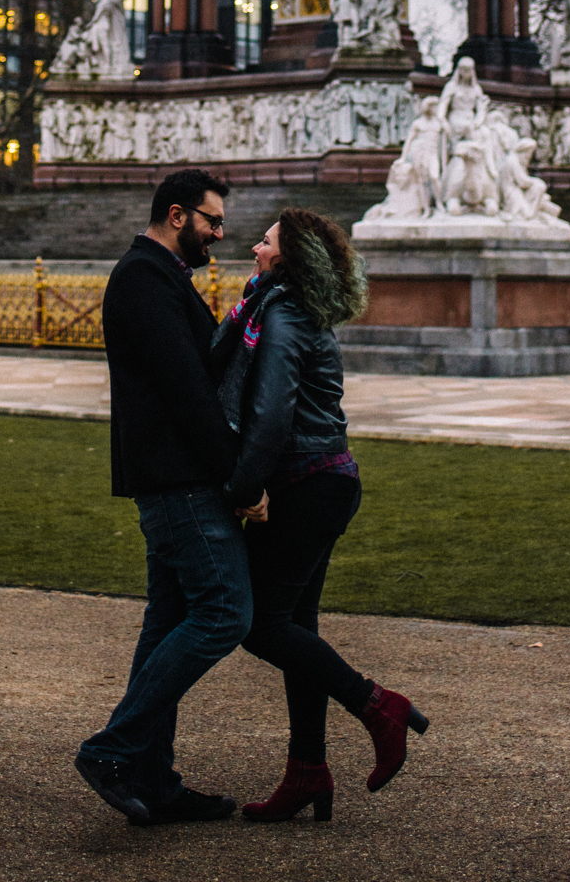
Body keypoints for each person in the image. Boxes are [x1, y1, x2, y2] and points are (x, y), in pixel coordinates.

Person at [210, 208, 430, 823]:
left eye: (266, 241)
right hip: (326, 478)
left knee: (256, 624)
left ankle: (377, 706)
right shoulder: (294, 310)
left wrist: (243, 487)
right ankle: (307, 769)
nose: (254, 248)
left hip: (305, 484)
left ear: (288, 259)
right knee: (295, 628)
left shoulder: (278, 314)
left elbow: (274, 412)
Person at [74, 168, 264, 829]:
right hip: (178, 480)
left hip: (169, 476)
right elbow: (188, 391)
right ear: (177, 215)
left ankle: (152, 780)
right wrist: (239, 480)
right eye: (212, 221)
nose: (219, 234)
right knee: (225, 613)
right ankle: (113, 750)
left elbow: (199, 371)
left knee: (166, 624)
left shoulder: (161, 279)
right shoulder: (143, 279)